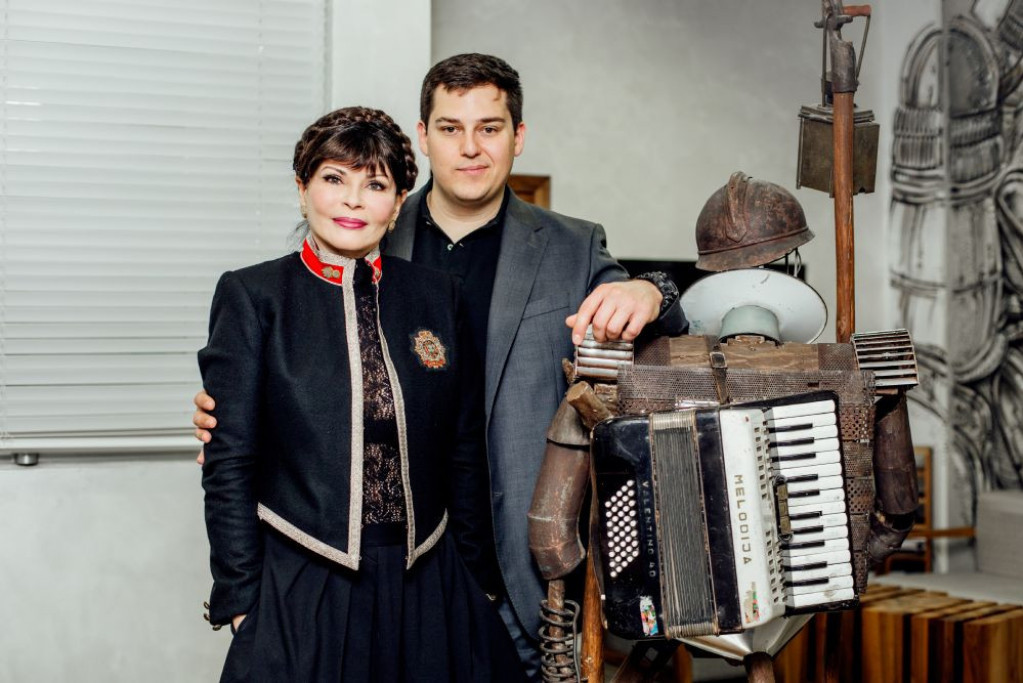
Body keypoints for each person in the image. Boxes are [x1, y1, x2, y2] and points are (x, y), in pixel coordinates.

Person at [195, 54, 688, 680]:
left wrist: (650, 292)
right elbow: (278, 408)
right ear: (424, 137)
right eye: (451, 128)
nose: (470, 147)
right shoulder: (343, 241)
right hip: (343, 576)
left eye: (490, 127)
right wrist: (242, 596)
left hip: (514, 575)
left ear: (518, 136)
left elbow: (660, 336)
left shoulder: (571, 245)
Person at [199, 105, 524, 682]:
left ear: (397, 205)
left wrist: (477, 583)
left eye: (375, 185)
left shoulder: (437, 296)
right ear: (302, 189)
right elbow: (229, 463)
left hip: (429, 578)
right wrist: (242, 600)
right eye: (334, 178)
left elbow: (463, 451)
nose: (352, 201)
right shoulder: (254, 296)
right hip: (302, 576)